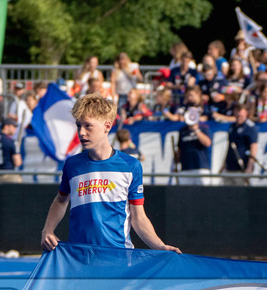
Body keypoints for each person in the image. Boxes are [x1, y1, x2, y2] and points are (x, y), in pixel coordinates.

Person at [40, 94, 179, 253]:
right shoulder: (72, 165)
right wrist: (47, 230)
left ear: (107, 126)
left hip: (118, 257)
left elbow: (138, 217)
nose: (81, 132)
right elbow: (61, 200)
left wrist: (160, 246)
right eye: (78, 125)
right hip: (79, 257)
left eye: (88, 126)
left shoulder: (130, 166)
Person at [175, 109, 213, 185]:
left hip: (201, 167)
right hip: (186, 168)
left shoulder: (204, 128)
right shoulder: (182, 131)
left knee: (202, 193)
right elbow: (179, 148)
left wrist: (197, 130)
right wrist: (176, 162)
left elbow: (207, 143)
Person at [223, 103, 258, 184]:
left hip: (242, 167)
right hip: (230, 166)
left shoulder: (249, 127)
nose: (239, 118)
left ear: (246, 114)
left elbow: (253, 147)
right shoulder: (232, 127)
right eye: (237, 116)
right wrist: (224, 165)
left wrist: (249, 167)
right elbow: (229, 147)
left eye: (241, 116)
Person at [0, 116, 22, 182]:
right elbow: (17, 162)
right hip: (8, 176)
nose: (15, 129)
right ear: (6, 126)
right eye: (13, 126)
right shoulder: (11, 141)